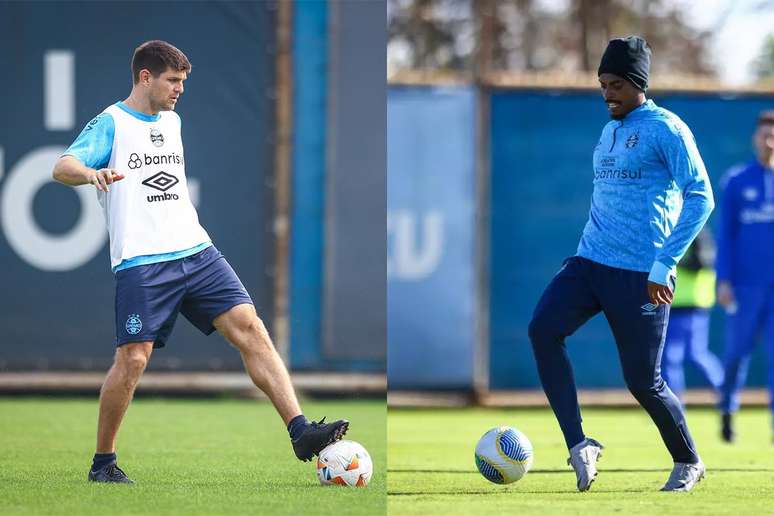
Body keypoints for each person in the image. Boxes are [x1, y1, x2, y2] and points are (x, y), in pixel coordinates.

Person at [52, 40, 348, 484]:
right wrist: (90, 172)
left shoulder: (172, 121)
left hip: (196, 250)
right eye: (172, 80)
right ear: (145, 77)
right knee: (133, 359)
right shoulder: (112, 122)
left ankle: (300, 431)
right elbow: (62, 165)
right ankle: (104, 463)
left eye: (183, 82)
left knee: (252, 330)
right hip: (143, 261)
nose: (179, 90)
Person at [528, 36, 714, 492]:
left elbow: (701, 197)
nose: (607, 93)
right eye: (602, 84)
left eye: (615, 84)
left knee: (642, 382)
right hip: (589, 262)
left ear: (637, 83)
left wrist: (664, 262)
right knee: (542, 329)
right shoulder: (609, 129)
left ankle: (688, 460)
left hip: (641, 275)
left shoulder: (667, 129)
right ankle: (579, 444)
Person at [716, 110, 774, 443]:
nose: (768, 141)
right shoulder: (737, 181)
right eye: (764, 134)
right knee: (737, 354)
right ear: (755, 138)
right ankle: (727, 413)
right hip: (745, 288)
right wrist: (724, 280)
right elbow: (725, 235)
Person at [662, 228, 723, 402]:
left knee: (691, 355)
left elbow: (704, 261)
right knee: (675, 357)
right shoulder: (672, 232)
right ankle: (673, 404)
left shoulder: (696, 231)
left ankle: (725, 394)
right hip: (674, 304)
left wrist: (671, 260)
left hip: (692, 303)